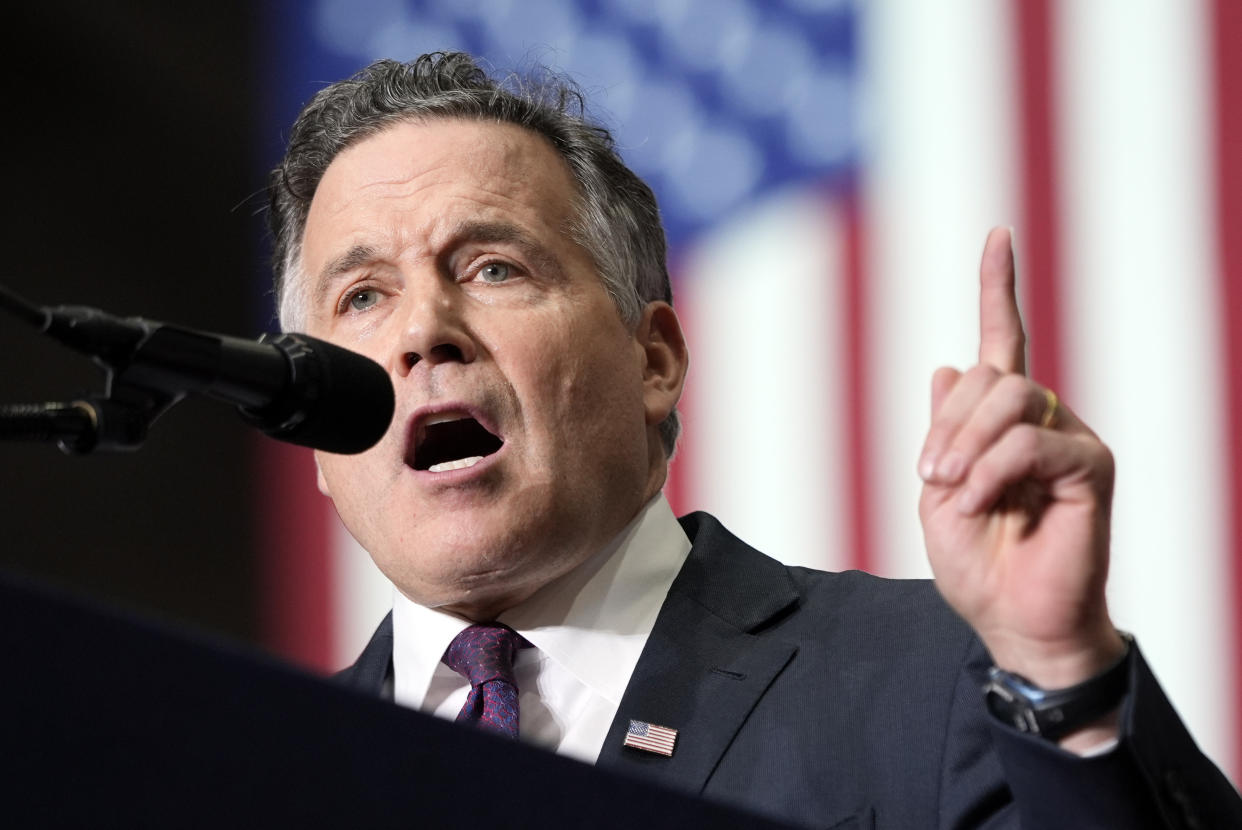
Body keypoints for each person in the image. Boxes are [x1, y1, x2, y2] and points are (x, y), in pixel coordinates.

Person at [267, 52, 1241, 828]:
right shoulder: (253, 766)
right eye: (362, 296)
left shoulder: (946, 683)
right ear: (315, 424)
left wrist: (1060, 669)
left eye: (490, 267)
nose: (420, 329)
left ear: (654, 361)